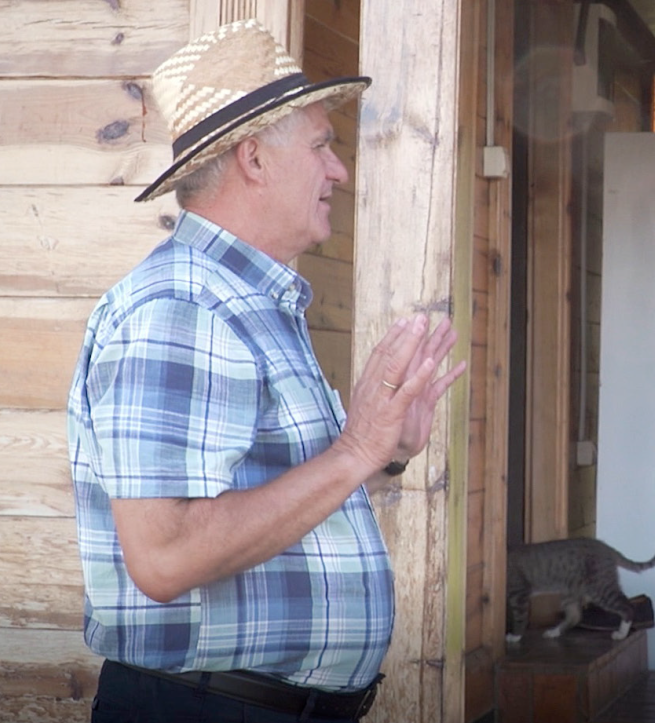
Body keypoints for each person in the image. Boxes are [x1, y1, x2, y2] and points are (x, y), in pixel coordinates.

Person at [68, 20, 466, 723]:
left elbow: (260, 492)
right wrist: (354, 450)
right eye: (322, 146)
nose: (339, 170)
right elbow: (164, 557)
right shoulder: (181, 306)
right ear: (253, 158)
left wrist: (383, 456)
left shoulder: (246, 300)